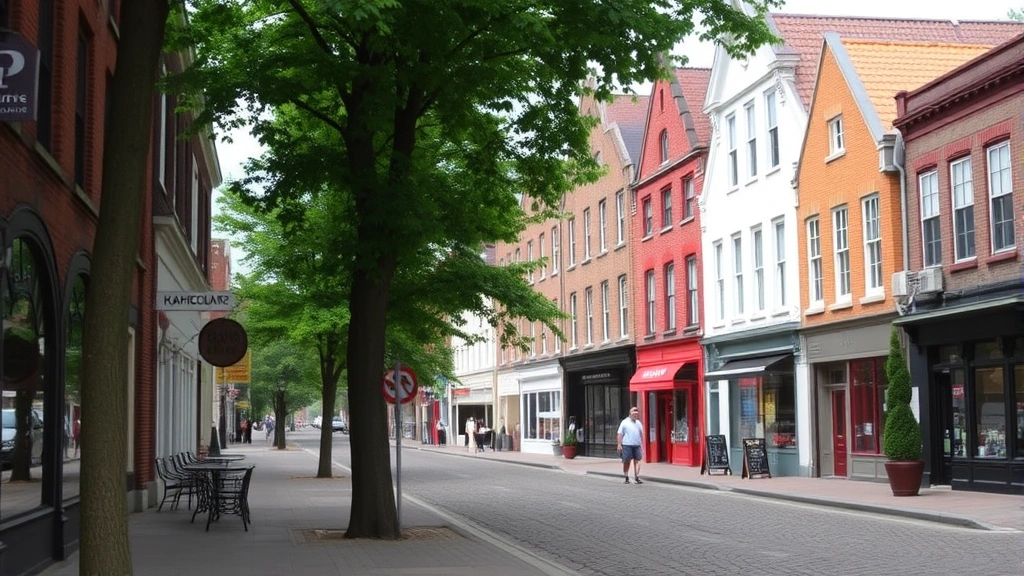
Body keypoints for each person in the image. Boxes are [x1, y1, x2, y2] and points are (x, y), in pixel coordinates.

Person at [616, 406, 644, 484]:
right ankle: (626, 476)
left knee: (637, 460)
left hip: (637, 445)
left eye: (637, 414)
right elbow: (620, 434)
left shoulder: (638, 423)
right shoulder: (624, 422)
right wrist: (619, 444)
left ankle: (637, 477)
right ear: (630, 414)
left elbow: (641, 434)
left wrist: (642, 444)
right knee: (627, 461)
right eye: (634, 414)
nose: (636, 416)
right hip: (627, 445)